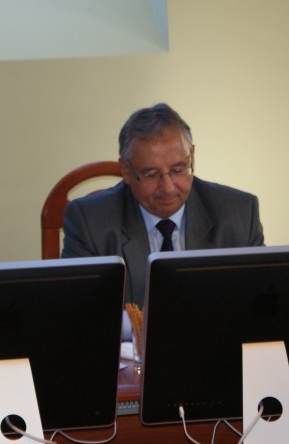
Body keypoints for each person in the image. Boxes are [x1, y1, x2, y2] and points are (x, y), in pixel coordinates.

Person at [62, 103, 264, 306]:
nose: (167, 187)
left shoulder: (240, 214)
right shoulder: (90, 223)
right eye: (151, 174)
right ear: (126, 171)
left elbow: (260, 301)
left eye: (178, 170)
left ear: (191, 156)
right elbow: (78, 308)